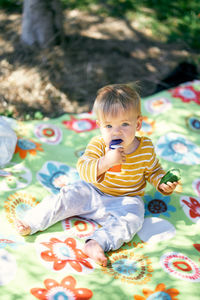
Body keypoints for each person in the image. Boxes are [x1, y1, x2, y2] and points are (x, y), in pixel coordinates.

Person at [15, 84, 179, 267]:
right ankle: (32, 221)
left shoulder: (145, 148)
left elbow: (153, 171)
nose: (116, 132)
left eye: (125, 124)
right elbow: (83, 169)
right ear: (100, 126)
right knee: (66, 196)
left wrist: (161, 183)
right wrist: (106, 162)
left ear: (138, 124)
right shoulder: (98, 145)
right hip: (93, 192)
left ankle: (96, 243)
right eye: (109, 125)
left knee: (133, 219)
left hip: (126, 199)